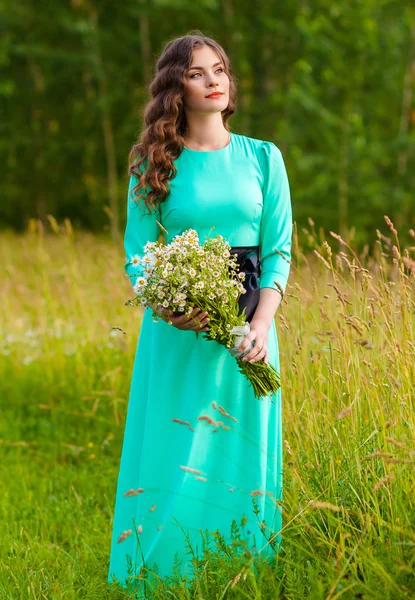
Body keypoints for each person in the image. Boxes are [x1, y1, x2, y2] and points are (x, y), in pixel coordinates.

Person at [107, 32, 293, 596]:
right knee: (173, 444)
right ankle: (161, 571)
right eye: (197, 73)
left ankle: (245, 572)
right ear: (174, 88)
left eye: (219, 70)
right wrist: (171, 304)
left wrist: (260, 325)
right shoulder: (153, 162)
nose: (214, 80)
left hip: (251, 328)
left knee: (242, 444)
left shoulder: (264, 157)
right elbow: (139, 256)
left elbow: (279, 250)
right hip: (178, 328)